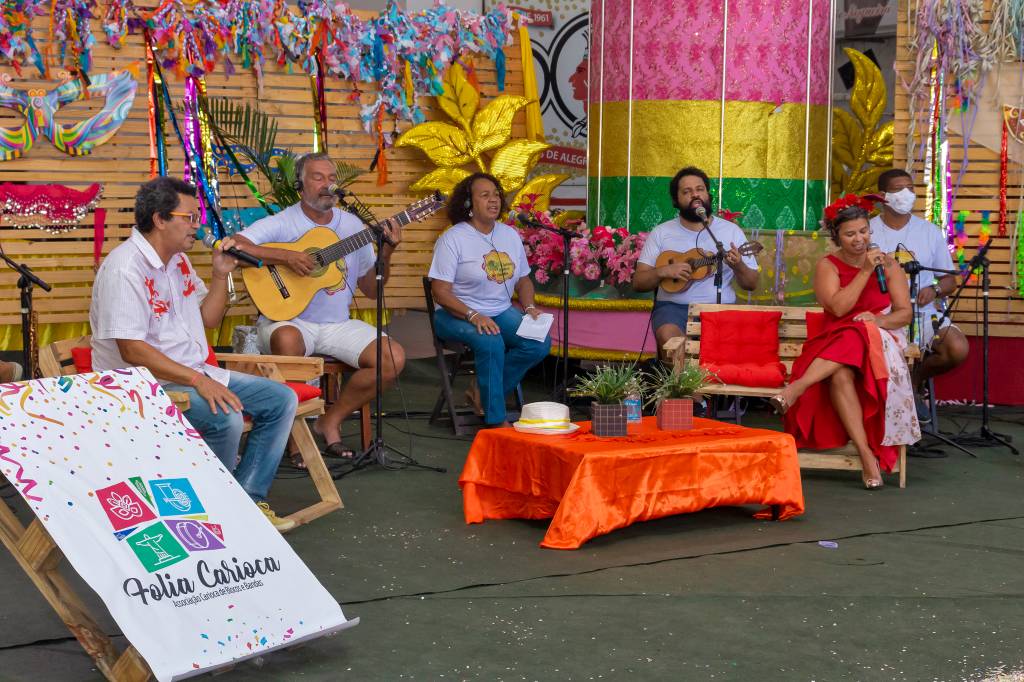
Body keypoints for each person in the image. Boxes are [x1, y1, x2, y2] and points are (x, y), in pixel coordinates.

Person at [90, 177, 298, 532]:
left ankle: (244, 500)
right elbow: (131, 349)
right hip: (140, 384)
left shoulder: (179, 262)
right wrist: (199, 381)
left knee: (281, 399)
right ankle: (205, 511)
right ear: (159, 219)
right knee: (226, 417)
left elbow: (208, 320)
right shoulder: (126, 268)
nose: (197, 225)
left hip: (191, 372)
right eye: (189, 217)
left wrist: (220, 275)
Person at [231, 152, 406, 459]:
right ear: (300, 184)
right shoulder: (285, 221)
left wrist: (387, 253)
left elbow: (370, 289)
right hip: (289, 319)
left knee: (392, 358)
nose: (328, 184)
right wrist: (286, 257)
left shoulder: (352, 226)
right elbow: (236, 245)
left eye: (332, 178)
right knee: (288, 341)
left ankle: (329, 422)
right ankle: (295, 437)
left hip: (336, 323)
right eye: (318, 177)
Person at [772, 196, 920, 489]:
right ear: (836, 236)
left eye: (864, 231)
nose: (859, 239)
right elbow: (839, 310)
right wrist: (865, 271)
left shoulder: (889, 265)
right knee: (842, 367)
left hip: (878, 339)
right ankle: (867, 456)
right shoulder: (828, 265)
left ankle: (795, 389)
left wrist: (876, 321)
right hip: (832, 341)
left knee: (859, 332)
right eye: (850, 233)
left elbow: (905, 314)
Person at [428, 172, 551, 428]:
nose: (493, 200)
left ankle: (483, 392)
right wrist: (474, 315)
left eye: (496, 194)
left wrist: (528, 307)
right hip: (455, 314)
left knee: (538, 342)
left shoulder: (509, 235)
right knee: (491, 341)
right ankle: (496, 421)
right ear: (468, 204)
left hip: (500, 310)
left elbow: (523, 280)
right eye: (485, 195)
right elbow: (439, 291)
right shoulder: (453, 238)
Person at [869, 169, 969, 424]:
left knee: (956, 348)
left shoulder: (929, 231)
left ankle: (914, 382)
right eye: (899, 189)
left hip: (923, 314)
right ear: (883, 196)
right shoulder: (868, 230)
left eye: (911, 188)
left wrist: (934, 290)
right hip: (882, 315)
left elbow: (949, 280)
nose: (908, 194)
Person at [632, 166, 759, 358]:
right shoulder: (661, 232)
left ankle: (706, 387)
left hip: (721, 309)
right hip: (674, 309)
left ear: (708, 194)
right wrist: (663, 271)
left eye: (700, 189)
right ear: (676, 200)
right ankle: (688, 388)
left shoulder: (730, 231)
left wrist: (738, 265)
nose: (695, 195)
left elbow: (751, 284)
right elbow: (638, 282)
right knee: (671, 341)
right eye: (687, 191)